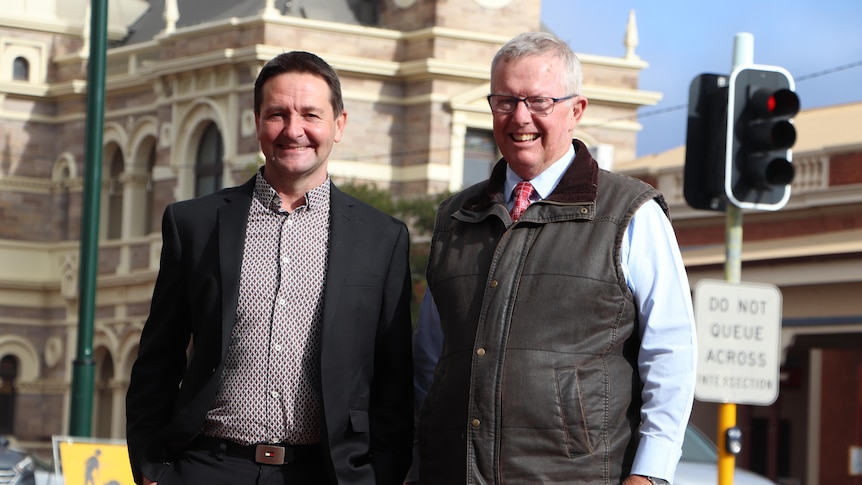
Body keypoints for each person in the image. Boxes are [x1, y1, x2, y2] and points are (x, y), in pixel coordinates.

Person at [412, 32, 697, 485]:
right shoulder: (456, 218)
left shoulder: (631, 213)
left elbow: (671, 355)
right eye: (505, 101)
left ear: (575, 110)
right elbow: (430, 359)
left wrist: (650, 475)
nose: (520, 117)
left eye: (538, 101)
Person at [126, 51, 414, 485]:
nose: (293, 130)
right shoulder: (195, 224)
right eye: (277, 114)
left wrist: (381, 475)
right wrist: (152, 469)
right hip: (206, 467)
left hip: (327, 473)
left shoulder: (382, 238)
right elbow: (158, 358)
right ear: (257, 121)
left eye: (310, 115)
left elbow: (394, 379)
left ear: (339, 124)